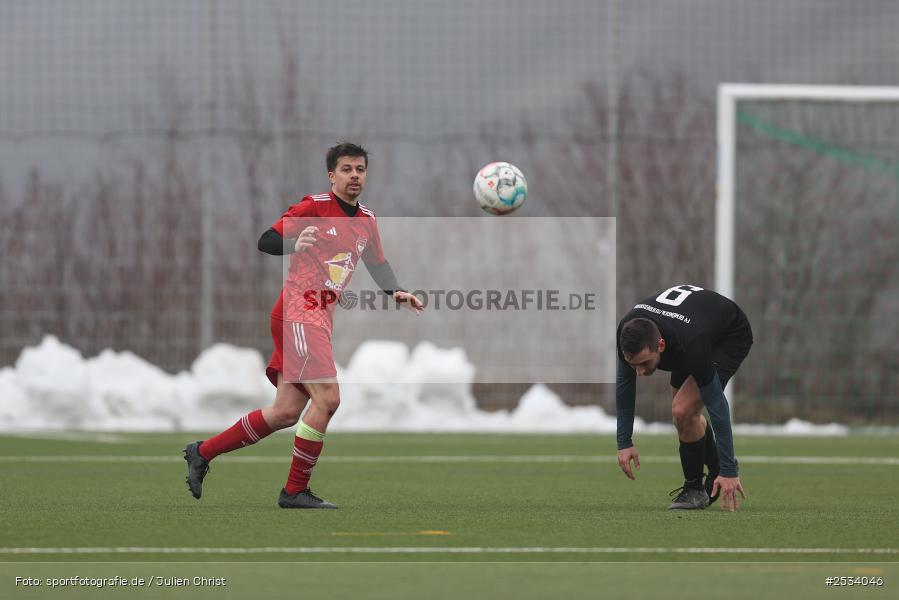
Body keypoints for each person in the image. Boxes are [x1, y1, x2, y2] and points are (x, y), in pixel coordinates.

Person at [183, 142, 423, 509]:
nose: (354, 175)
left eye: (360, 169)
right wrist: (295, 243)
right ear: (332, 175)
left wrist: (398, 291)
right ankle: (294, 491)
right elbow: (267, 240)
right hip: (298, 312)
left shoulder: (367, 221)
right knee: (328, 399)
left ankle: (202, 452)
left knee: (285, 412)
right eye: (346, 169)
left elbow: (376, 263)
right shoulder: (314, 206)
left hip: (318, 317)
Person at [615, 284, 752, 511]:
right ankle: (714, 469)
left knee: (682, 409)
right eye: (633, 365)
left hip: (727, 337)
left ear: (660, 346)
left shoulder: (693, 344)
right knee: (683, 416)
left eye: (644, 364)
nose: (639, 372)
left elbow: (717, 406)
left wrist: (730, 471)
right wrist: (624, 442)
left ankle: (695, 490)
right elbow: (624, 387)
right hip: (686, 330)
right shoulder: (627, 335)